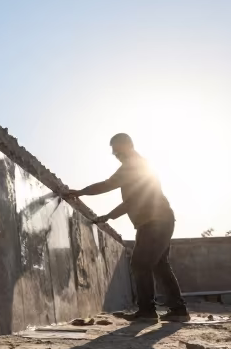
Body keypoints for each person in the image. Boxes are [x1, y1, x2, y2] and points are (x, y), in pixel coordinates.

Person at [65, 133, 190, 323]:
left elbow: (107, 185)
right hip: (161, 220)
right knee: (160, 266)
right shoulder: (140, 166)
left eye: (117, 150)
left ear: (128, 146)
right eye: (114, 152)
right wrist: (108, 216)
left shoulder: (133, 165)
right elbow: (132, 201)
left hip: (154, 222)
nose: (116, 155)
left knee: (140, 264)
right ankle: (178, 310)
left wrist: (81, 192)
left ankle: (147, 311)